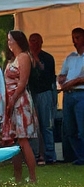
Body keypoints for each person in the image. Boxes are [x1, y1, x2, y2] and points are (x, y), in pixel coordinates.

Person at [2, 30, 38, 183]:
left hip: (20, 100)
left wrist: (12, 101)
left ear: (17, 41)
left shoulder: (23, 57)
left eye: (10, 39)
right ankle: (18, 177)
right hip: (10, 99)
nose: (9, 42)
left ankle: (32, 177)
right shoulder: (12, 59)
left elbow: (22, 82)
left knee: (23, 140)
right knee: (14, 139)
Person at [28, 33, 58, 165]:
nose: (32, 43)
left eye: (35, 41)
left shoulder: (48, 58)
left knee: (46, 125)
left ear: (41, 42)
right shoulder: (26, 58)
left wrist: (36, 58)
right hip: (32, 93)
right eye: (31, 41)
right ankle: (36, 154)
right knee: (34, 126)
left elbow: (47, 74)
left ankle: (50, 154)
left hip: (45, 93)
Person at [58, 27, 84, 165]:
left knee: (82, 128)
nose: (75, 41)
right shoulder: (70, 57)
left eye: (78, 38)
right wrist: (62, 80)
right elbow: (62, 74)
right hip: (68, 95)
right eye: (73, 38)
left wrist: (75, 81)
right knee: (69, 129)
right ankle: (80, 156)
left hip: (81, 94)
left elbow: (80, 79)